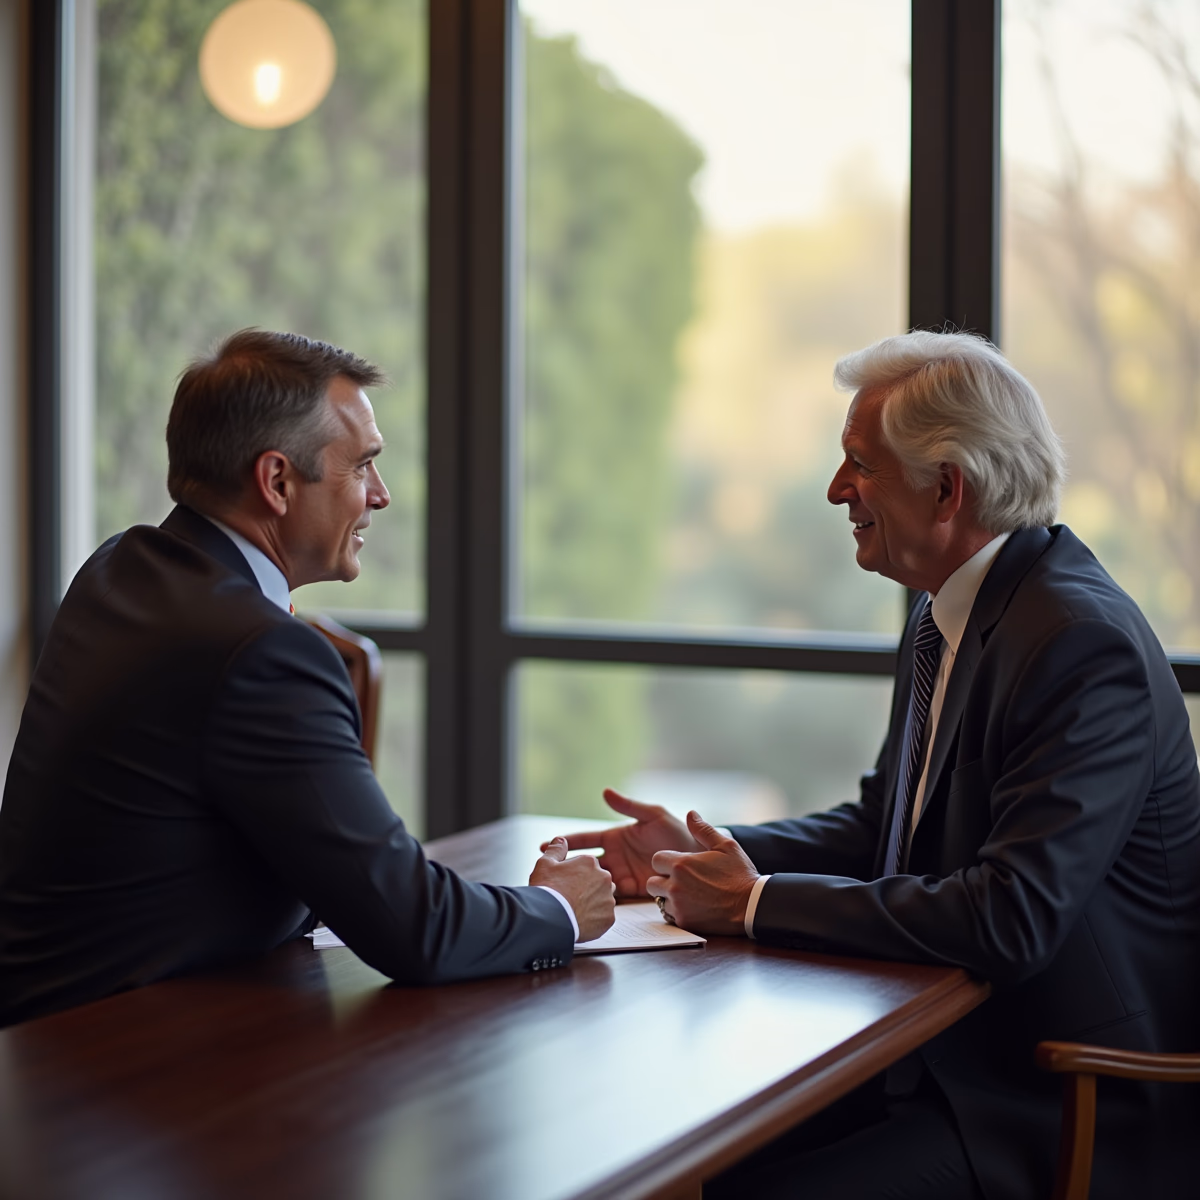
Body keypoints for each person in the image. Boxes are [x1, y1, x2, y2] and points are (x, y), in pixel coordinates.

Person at [556, 331, 1200, 1200]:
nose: (835, 490)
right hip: (946, 1061)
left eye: (859, 463)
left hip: (1059, 1101)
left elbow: (1011, 916)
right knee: (681, 1155)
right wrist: (701, 853)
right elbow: (881, 828)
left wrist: (749, 903)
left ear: (948, 487)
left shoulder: (1079, 643)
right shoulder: (953, 612)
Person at [0, 329, 615, 1028]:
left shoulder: (121, 568)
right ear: (277, 481)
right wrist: (561, 909)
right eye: (362, 467)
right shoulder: (258, 651)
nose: (379, 496)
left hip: (44, 1039)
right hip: (113, 1065)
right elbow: (415, 928)